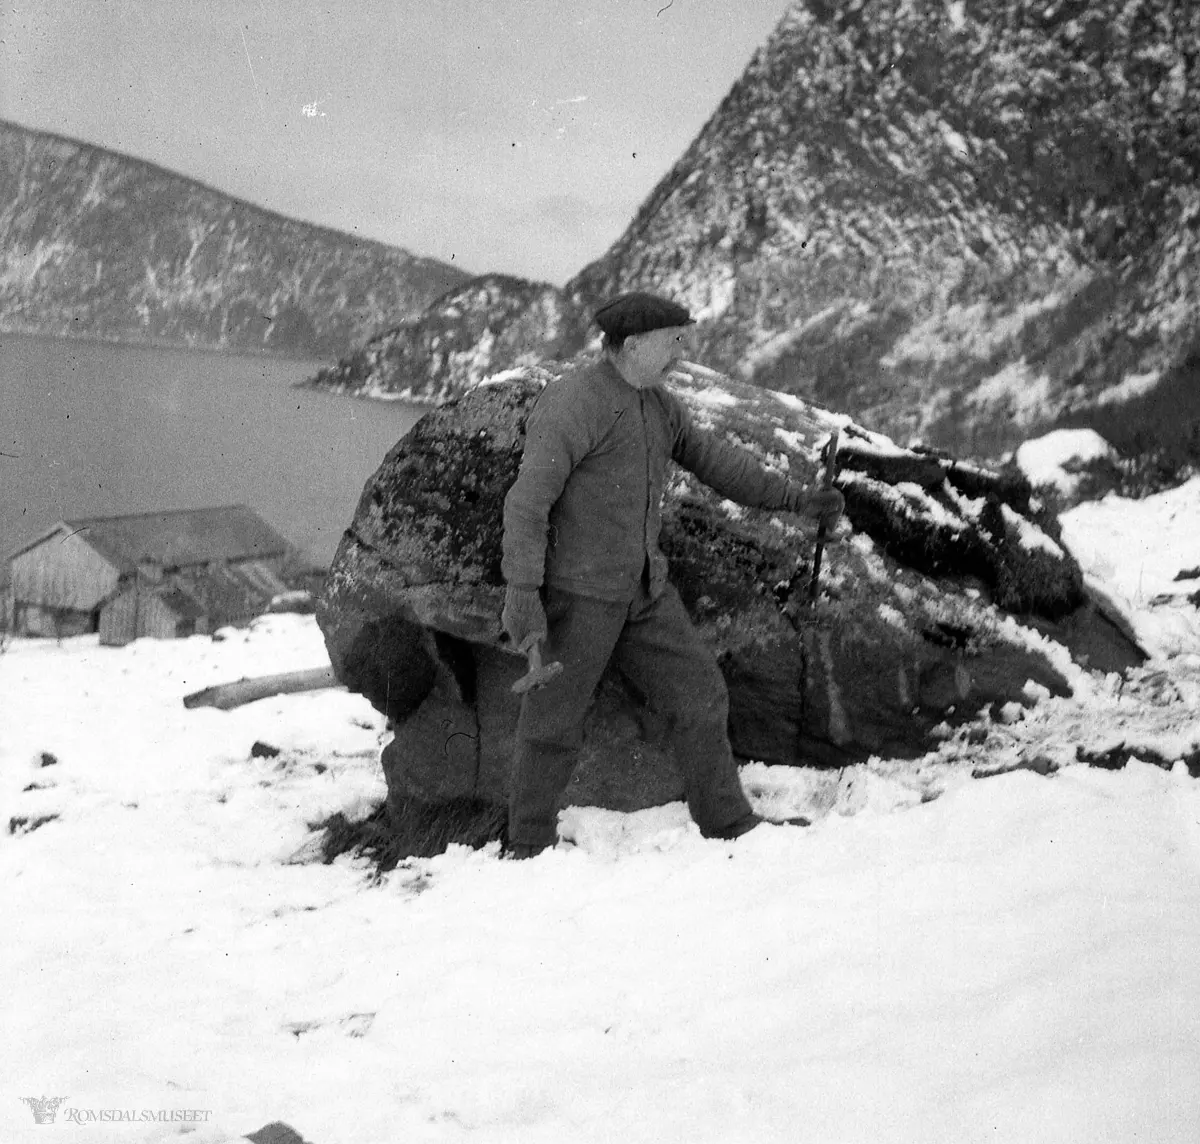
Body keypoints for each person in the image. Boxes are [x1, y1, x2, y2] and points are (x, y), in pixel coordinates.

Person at [500, 291, 844, 858]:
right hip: (579, 596)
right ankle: (525, 847)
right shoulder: (574, 404)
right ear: (632, 345)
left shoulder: (657, 404)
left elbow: (716, 463)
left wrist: (798, 499)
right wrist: (522, 593)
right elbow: (527, 504)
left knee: (701, 693)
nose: (681, 354)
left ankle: (727, 823)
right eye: (673, 342)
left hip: (643, 592)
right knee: (552, 721)